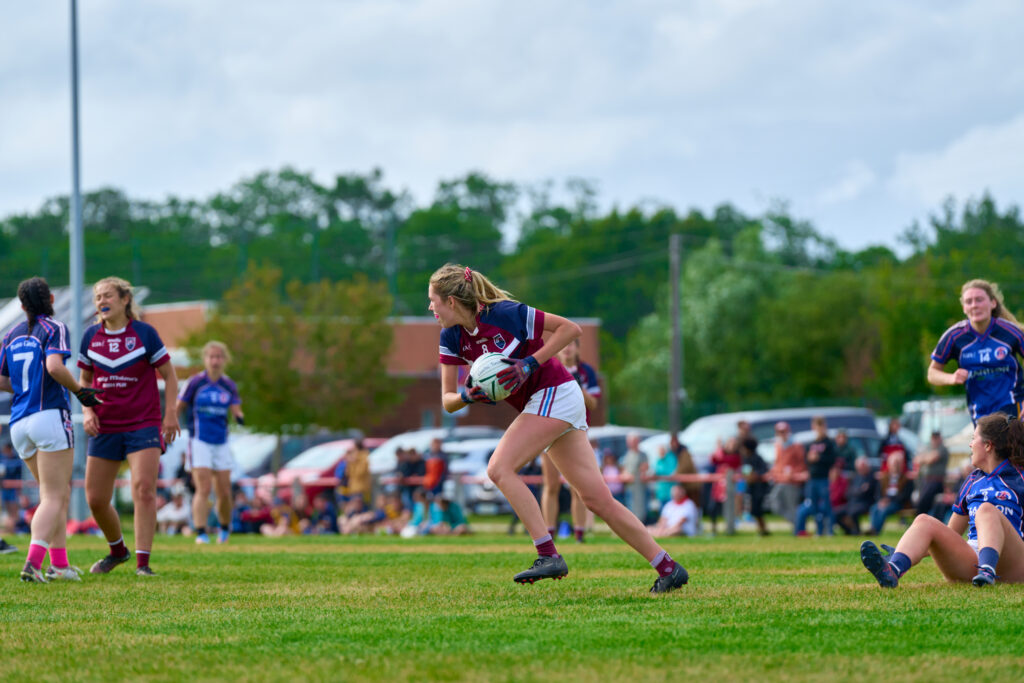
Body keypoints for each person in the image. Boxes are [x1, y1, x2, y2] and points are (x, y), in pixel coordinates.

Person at [430, 263, 688, 592]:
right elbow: (448, 400)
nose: (430, 307)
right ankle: (668, 568)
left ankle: (547, 554)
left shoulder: (505, 313)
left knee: (499, 468)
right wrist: (468, 395)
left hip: (556, 392)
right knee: (597, 500)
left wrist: (529, 363)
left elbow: (570, 329)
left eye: (433, 300)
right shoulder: (451, 337)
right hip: (547, 402)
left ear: (451, 301)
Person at [0, 277, 104, 581]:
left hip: (19, 424)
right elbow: (55, 367)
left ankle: (59, 565)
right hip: (48, 416)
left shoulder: (11, 334)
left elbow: (2, 380)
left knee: (52, 494)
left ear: (21, 305)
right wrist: (82, 393)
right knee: (55, 496)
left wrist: (22, 388)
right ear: (52, 300)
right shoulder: (54, 328)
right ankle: (32, 565)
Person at [79, 276, 180, 577]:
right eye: (97, 297)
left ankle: (143, 564)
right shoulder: (90, 337)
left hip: (143, 423)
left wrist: (170, 413)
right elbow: (84, 380)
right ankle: (117, 551)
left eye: (107, 295)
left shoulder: (145, 334)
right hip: (105, 425)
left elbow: (171, 376)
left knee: (144, 489)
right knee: (95, 499)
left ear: (125, 300)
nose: (101, 302)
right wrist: (87, 411)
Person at [860, 412, 1024, 588]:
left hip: (1014, 564)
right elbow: (950, 533)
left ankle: (987, 570)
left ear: (987, 445)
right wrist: (904, 551)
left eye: (973, 438)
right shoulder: (972, 481)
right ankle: (893, 569)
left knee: (986, 510)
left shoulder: (1019, 477)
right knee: (924, 521)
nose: (970, 444)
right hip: (973, 561)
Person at [929, 279, 1024, 422]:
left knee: (1009, 443)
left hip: (1013, 408)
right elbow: (932, 373)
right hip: (980, 415)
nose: (974, 305)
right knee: (984, 444)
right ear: (963, 308)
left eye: (979, 300)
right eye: (969, 301)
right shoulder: (954, 336)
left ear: (993, 303)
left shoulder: (1011, 332)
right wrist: (951, 378)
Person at [177, 340, 243, 545]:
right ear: (205, 359)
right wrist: (169, 423)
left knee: (223, 491)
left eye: (219, 357)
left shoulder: (228, 385)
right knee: (203, 488)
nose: (215, 361)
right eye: (212, 357)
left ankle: (224, 529)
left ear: (225, 360)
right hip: (199, 441)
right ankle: (201, 532)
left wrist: (240, 417)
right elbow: (179, 406)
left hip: (221, 442)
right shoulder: (195, 383)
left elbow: (236, 409)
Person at [541, 338, 601, 544]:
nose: (566, 348)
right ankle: (548, 535)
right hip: (549, 431)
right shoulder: (548, 366)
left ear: (577, 347)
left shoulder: (586, 372)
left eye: (571, 344)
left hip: (575, 433)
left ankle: (579, 534)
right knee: (550, 485)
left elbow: (593, 403)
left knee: (578, 487)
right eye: (563, 344)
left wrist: (576, 385)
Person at [794, 416, 837, 536]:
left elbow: (832, 459)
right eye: (816, 425)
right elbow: (806, 461)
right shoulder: (811, 444)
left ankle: (829, 530)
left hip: (824, 478)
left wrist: (819, 458)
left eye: (821, 425)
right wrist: (809, 459)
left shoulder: (829, 443)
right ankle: (819, 530)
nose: (819, 428)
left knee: (827, 505)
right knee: (813, 506)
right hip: (812, 479)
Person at [767, 422, 807, 527]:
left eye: (783, 431)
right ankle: (797, 524)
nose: (782, 434)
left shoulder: (796, 445)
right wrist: (774, 473)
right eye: (779, 432)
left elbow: (802, 464)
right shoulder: (778, 446)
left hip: (792, 481)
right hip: (780, 480)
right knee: (774, 503)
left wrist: (794, 474)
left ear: (788, 431)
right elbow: (777, 464)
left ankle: (798, 529)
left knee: (791, 506)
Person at [868, 450, 914, 534]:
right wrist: (881, 500)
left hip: (898, 503)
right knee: (874, 508)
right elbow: (878, 492)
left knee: (884, 510)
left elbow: (905, 495)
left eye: (897, 463)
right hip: (884, 501)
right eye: (894, 463)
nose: (895, 466)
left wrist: (889, 500)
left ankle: (875, 531)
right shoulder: (884, 477)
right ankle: (873, 529)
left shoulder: (906, 479)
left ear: (901, 464)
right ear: (889, 464)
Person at [738, 421, 770, 536]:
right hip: (751, 487)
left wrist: (755, 475)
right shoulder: (746, 459)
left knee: (757, 510)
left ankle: (763, 529)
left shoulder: (757, 458)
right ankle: (762, 529)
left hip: (759, 488)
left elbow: (763, 471)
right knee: (754, 510)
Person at [836, 456, 880, 535]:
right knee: (836, 513)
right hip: (852, 503)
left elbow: (869, 493)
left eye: (863, 466)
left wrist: (857, 491)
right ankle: (849, 531)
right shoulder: (856, 477)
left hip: (865, 503)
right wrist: (860, 490)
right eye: (860, 467)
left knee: (853, 512)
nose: (861, 469)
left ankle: (857, 532)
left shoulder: (872, 477)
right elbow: (848, 493)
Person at [915, 431, 950, 518]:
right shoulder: (929, 448)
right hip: (926, 480)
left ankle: (923, 520)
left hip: (936, 481)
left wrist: (924, 457)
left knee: (924, 502)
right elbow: (917, 460)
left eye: (936, 438)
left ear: (939, 438)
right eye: (933, 438)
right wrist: (926, 457)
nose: (934, 441)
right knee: (923, 502)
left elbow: (931, 459)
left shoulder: (942, 449)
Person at [619, 432, 650, 523]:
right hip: (629, 488)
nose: (629, 443)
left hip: (639, 488)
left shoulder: (642, 455)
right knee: (630, 509)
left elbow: (645, 469)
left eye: (631, 441)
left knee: (639, 510)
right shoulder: (627, 455)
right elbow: (624, 469)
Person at [1, 441, 22, 536]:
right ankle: (9, 529)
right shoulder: (2, 458)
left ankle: (13, 529)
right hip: (4, 489)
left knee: (13, 510)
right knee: (7, 509)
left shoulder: (16, 459)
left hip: (13, 489)